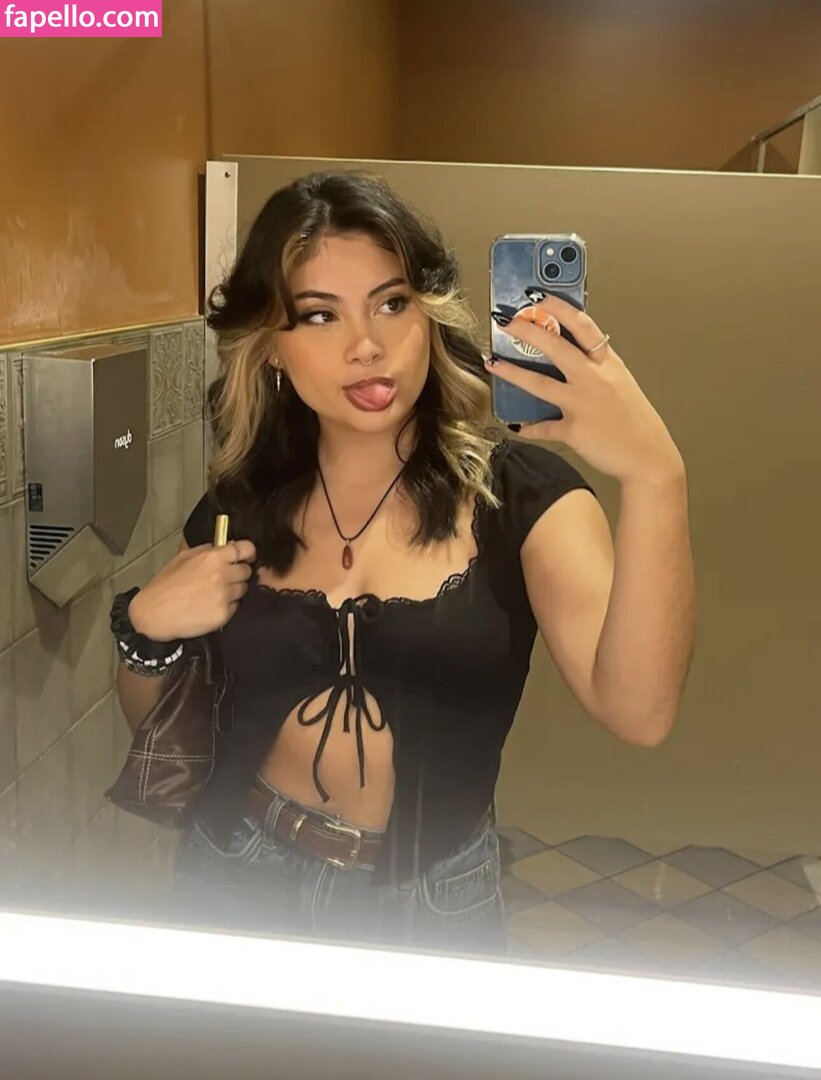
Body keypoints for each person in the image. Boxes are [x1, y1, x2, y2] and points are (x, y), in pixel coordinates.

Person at [113, 170, 695, 957]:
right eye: (319, 315)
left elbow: (640, 713)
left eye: (391, 303)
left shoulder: (521, 499)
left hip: (430, 901)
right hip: (233, 867)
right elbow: (154, 718)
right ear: (274, 347)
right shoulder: (240, 502)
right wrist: (143, 630)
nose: (366, 345)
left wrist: (656, 476)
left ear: (428, 316)